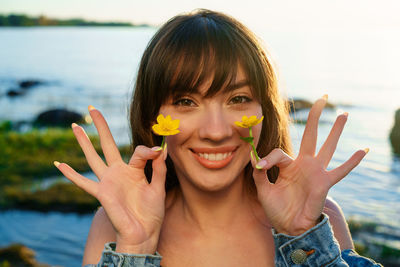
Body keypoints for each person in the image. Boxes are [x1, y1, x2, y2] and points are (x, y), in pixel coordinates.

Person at [54, 9, 382, 266]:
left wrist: (302, 237)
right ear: (152, 116)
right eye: (186, 102)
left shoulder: (317, 217)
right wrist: (135, 249)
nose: (215, 131)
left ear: (266, 110)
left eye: (238, 99)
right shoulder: (115, 225)